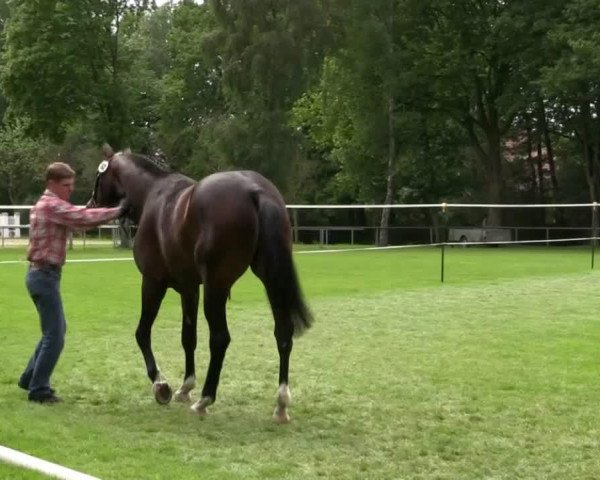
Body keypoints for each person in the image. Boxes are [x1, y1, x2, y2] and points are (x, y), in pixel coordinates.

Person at [19, 162, 128, 404]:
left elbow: (78, 215)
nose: (70, 190)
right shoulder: (50, 205)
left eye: (72, 185)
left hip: (42, 276)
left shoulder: (50, 205)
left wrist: (99, 209)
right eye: (66, 185)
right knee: (55, 336)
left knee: (53, 331)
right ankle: (39, 390)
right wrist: (119, 210)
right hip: (44, 276)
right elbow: (82, 218)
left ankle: (29, 378)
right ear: (52, 184)